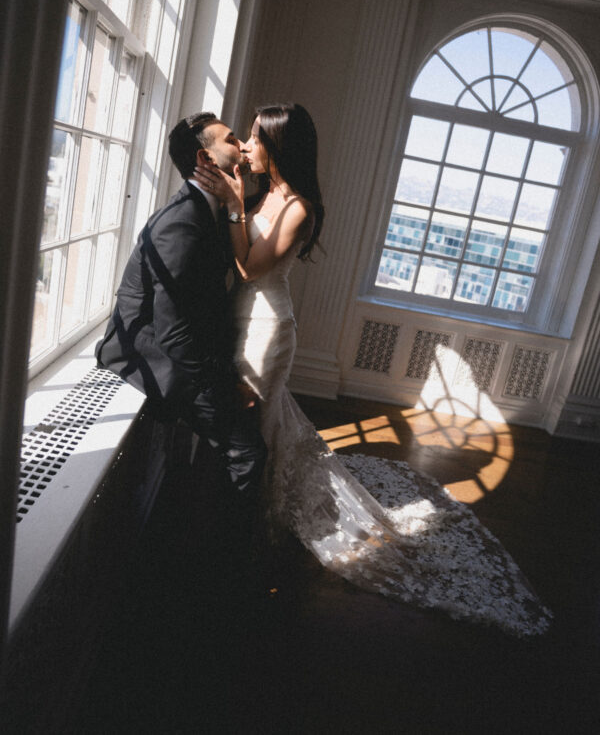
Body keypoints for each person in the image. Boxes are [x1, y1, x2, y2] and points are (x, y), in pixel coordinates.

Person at [193, 102, 552, 637]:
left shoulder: (300, 208)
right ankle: (250, 518)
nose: (245, 147)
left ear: (278, 145)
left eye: (253, 139)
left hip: (269, 328)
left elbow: (251, 265)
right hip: (242, 317)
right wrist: (236, 187)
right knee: (262, 424)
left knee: (260, 427)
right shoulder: (265, 191)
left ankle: (257, 530)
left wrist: (230, 204)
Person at [95, 112, 267, 560]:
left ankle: (210, 541)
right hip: (153, 360)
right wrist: (226, 384)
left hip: (185, 352)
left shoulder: (207, 211)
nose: (243, 148)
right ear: (203, 156)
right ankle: (224, 567)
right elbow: (174, 333)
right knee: (249, 452)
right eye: (233, 140)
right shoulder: (182, 222)